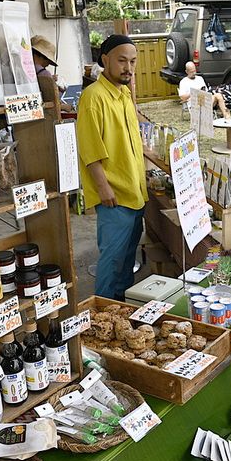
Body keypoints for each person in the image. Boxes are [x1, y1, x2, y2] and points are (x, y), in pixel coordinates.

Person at [76, 34, 148, 301]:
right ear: (105, 60)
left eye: (133, 61)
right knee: (112, 259)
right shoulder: (93, 97)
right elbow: (89, 149)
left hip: (135, 191)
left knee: (127, 258)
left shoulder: (124, 93)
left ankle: (120, 306)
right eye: (122, 61)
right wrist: (103, 187)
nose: (128, 68)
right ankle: (102, 311)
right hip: (114, 194)